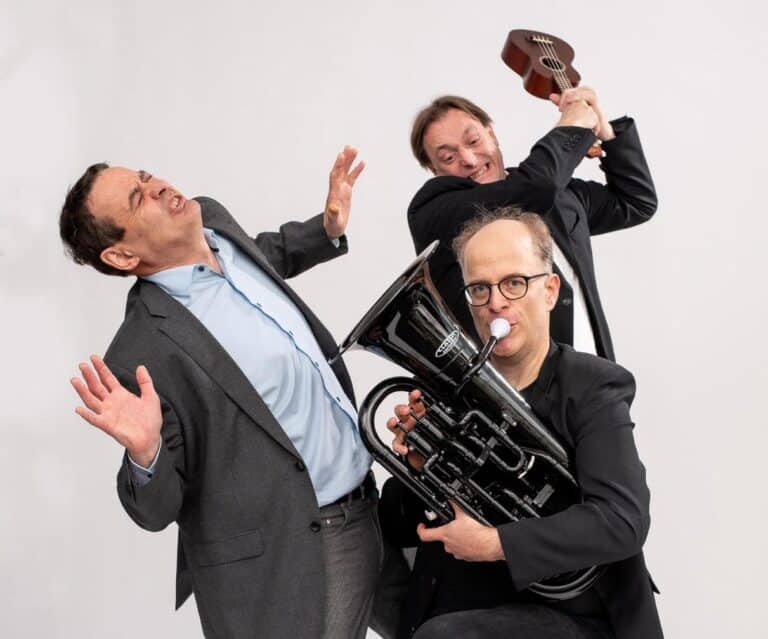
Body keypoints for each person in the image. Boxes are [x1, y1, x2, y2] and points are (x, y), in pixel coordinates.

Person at [61, 148, 381, 639]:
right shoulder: (140, 353)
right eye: (137, 198)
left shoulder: (211, 220)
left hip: (375, 499)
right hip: (305, 547)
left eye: (146, 176)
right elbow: (155, 509)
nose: (159, 186)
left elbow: (264, 255)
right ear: (122, 256)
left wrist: (326, 229)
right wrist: (146, 452)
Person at [384, 206, 662, 639]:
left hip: (572, 613)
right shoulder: (451, 391)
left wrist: (495, 544)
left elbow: (623, 520)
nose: (495, 303)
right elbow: (402, 525)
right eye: (479, 288)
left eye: (514, 283)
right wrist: (421, 469)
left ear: (549, 291)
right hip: (464, 604)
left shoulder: (592, 387)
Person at [407, 88, 657, 361]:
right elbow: (535, 187)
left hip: (595, 375)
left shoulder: (556, 193)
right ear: (434, 170)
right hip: (509, 386)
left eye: (474, 140)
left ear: (492, 134)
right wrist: (573, 125)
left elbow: (636, 202)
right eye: (448, 158)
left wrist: (606, 133)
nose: (468, 159)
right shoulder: (433, 210)